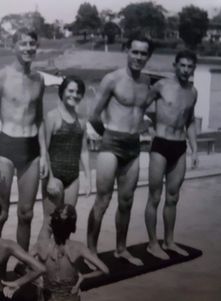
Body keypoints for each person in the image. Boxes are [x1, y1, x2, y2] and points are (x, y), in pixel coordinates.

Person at [86, 32, 154, 266]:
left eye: (143, 53)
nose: (138, 57)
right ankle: (91, 251)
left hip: (133, 145)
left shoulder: (146, 81)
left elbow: (142, 111)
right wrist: (108, 137)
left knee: (126, 200)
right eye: (134, 51)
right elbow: (93, 114)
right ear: (127, 51)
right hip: (111, 144)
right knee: (102, 200)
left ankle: (120, 249)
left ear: (148, 57)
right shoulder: (112, 79)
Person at [0, 28, 48, 248]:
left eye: (32, 43)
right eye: (23, 43)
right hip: (7, 147)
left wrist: (44, 155)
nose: (28, 48)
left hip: (31, 150)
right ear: (14, 46)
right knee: (0, 213)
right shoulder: (0, 77)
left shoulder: (39, 79)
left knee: (26, 213)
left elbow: (39, 119)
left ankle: (23, 262)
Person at [144, 50, 199, 259]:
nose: (185, 70)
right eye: (182, 65)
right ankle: (152, 243)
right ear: (175, 65)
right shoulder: (162, 85)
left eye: (190, 67)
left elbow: (190, 121)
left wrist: (195, 149)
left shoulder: (193, 92)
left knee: (173, 197)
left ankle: (169, 241)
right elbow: (141, 106)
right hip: (161, 144)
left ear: (193, 68)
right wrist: (148, 127)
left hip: (180, 146)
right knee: (155, 197)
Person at [38, 76, 91, 241]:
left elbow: (83, 150)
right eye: (70, 91)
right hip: (55, 175)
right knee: (49, 222)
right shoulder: (52, 117)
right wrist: (51, 179)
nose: (74, 95)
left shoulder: (81, 120)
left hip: (73, 177)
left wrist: (88, 177)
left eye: (78, 92)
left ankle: (59, 263)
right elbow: (44, 150)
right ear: (62, 92)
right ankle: (37, 262)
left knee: (66, 222)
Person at [32, 204, 109, 301]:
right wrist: (83, 277)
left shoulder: (41, 245)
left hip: (48, 295)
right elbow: (104, 270)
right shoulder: (78, 247)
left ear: (52, 225)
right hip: (69, 295)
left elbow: (20, 266)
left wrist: (37, 280)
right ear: (73, 228)